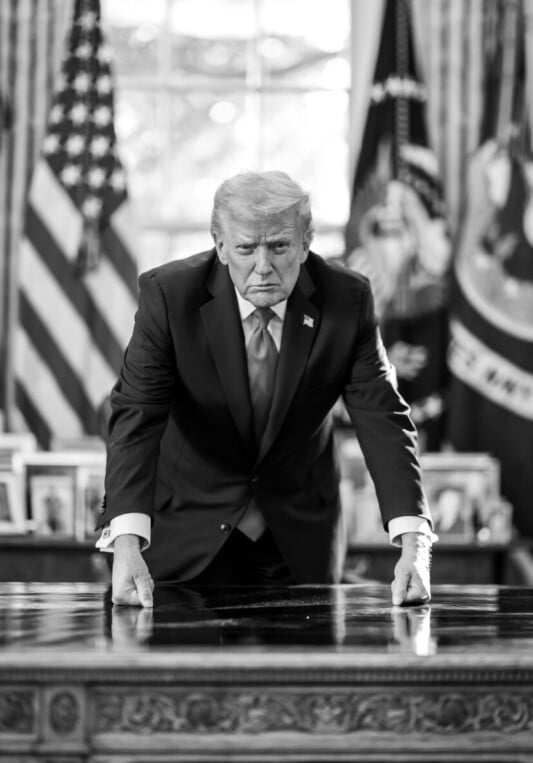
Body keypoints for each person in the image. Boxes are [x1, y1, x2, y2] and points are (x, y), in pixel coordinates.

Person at [95, 171, 435, 608]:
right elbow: (136, 417)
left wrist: (415, 544)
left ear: (306, 241)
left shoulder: (347, 299)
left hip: (298, 535)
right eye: (245, 248)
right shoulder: (169, 295)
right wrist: (124, 543)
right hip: (185, 530)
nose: (263, 267)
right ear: (219, 245)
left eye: (279, 246)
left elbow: (383, 419)